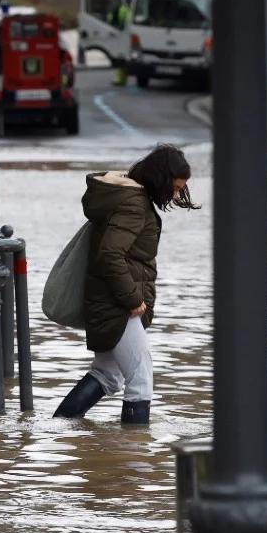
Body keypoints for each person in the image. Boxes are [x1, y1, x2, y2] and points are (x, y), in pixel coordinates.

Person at [53, 144, 198, 424]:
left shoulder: (126, 197)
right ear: (161, 179)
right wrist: (133, 299)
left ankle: (58, 427)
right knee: (140, 378)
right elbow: (110, 254)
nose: (177, 194)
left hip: (107, 300)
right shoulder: (134, 204)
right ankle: (133, 455)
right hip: (117, 305)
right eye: (176, 188)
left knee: (107, 373)